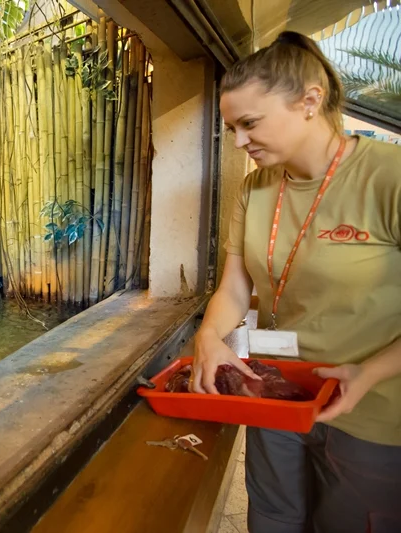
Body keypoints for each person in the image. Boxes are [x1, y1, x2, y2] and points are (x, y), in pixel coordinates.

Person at [192, 31, 401, 533]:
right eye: (231, 128)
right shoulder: (256, 187)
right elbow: (235, 288)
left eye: (249, 124)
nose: (239, 141)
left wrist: (370, 372)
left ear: (310, 100)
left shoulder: (387, 177)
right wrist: (207, 336)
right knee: (273, 519)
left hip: (371, 410)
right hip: (275, 391)